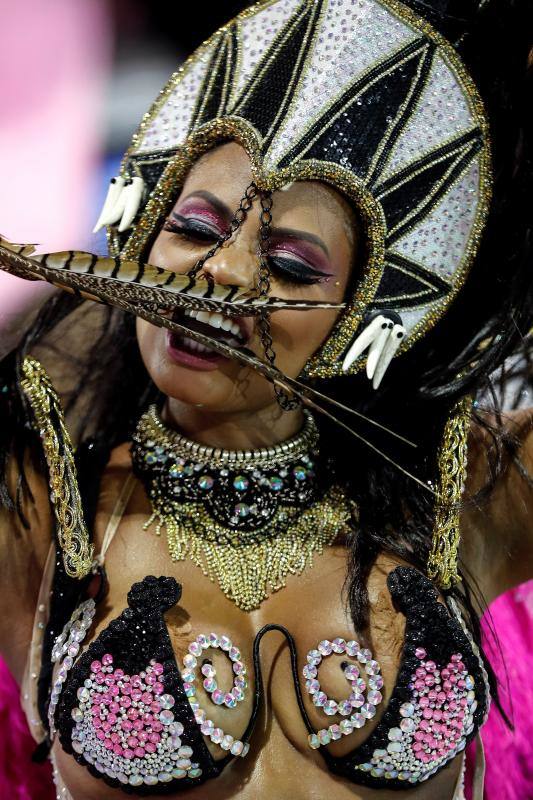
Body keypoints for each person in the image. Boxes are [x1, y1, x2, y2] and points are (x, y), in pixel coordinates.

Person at [0, 1, 531, 798]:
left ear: (366, 312)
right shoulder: (44, 508)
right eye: (193, 226)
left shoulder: (464, 491)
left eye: (288, 265)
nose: (220, 272)